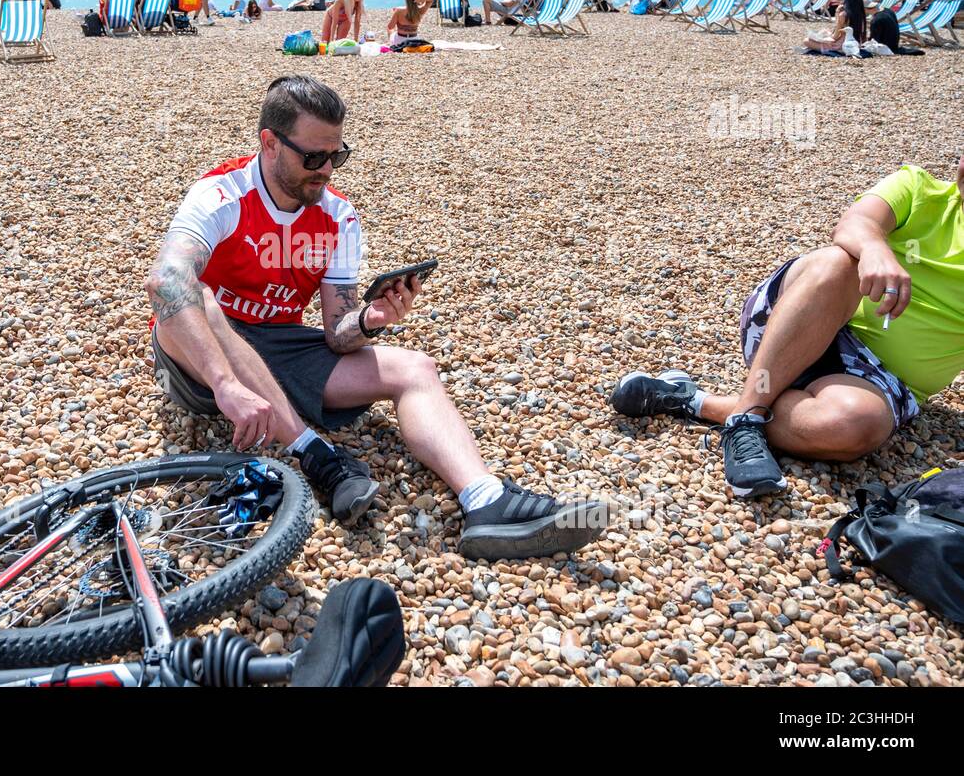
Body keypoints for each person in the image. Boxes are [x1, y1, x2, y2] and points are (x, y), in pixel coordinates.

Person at [144, 75, 610, 557]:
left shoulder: (338, 216)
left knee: (415, 369)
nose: (325, 170)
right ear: (269, 143)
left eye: (336, 156)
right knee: (199, 295)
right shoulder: (222, 195)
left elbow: (337, 334)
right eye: (313, 158)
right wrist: (225, 383)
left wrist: (372, 319)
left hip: (279, 346)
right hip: (199, 355)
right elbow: (166, 282)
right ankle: (313, 451)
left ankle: (486, 500)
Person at [611, 158, 964, 499]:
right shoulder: (919, 189)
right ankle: (746, 420)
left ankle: (695, 401)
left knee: (853, 425)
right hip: (801, 319)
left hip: (875, 383)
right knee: (839, 262)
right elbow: (854, 223)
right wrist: (874, 246)